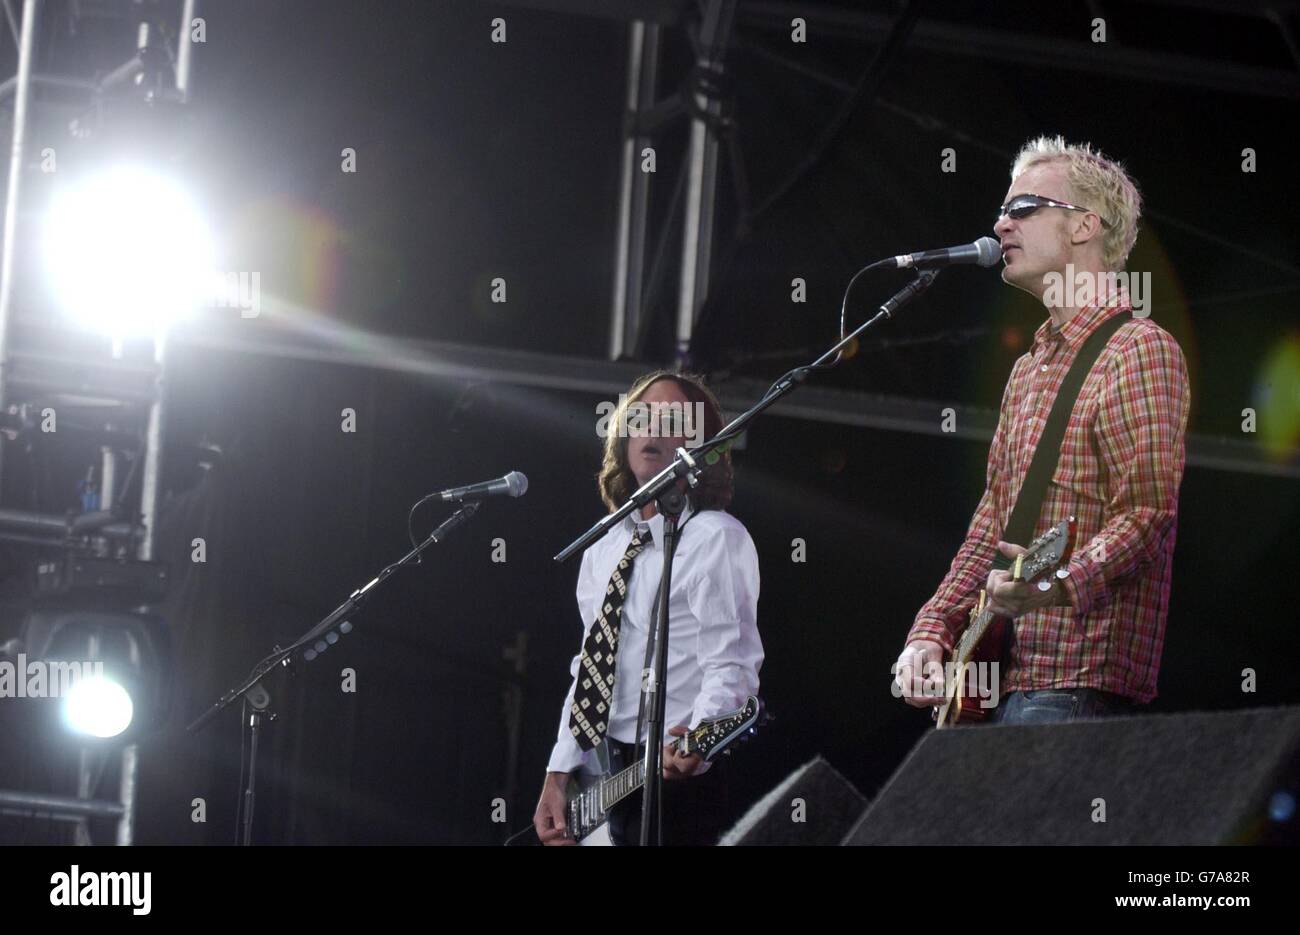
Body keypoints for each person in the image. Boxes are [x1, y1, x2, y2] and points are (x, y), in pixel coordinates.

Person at [894, 135, 1190, 725]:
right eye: (1002, 211)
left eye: (1023, 208)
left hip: (1077, 681)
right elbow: (993, 526)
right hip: (1003, 684)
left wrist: (1056, 585)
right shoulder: (1029, 370)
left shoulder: (1140, 350)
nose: (1001, 225)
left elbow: (1148, 513)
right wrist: (932, 630)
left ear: (1084, 227)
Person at [533, 371, 763, 844]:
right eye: (643, 417)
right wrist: (558, 774)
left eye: (673, 418)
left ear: (702, 444)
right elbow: (590, 668)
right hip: (603, 778)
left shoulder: (715, 538)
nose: (655, 428)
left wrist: (700, 735)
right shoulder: (603, 548)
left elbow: (733, 666)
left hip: (679, 786)